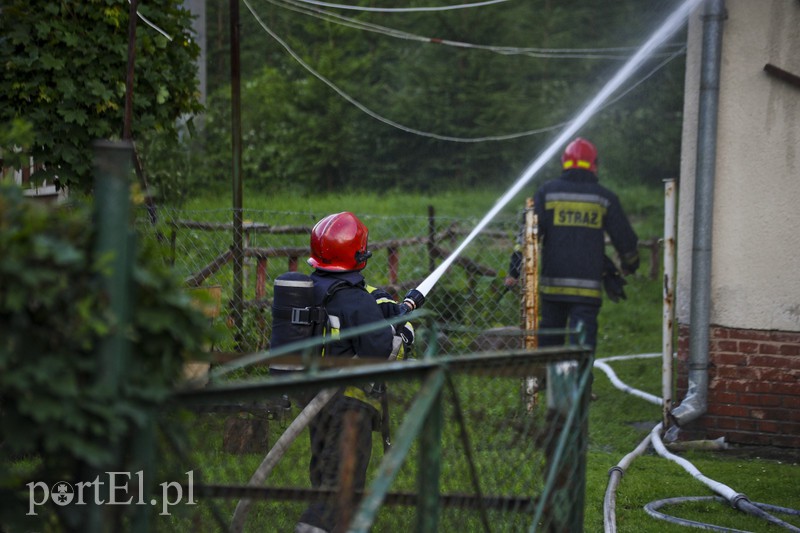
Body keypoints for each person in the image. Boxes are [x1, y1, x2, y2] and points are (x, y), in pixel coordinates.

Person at [295, 211, 422, 533]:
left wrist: (381, 301)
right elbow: (382, 352)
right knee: (344, 482)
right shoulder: (357, 303)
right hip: (350, 404)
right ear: (358, 254)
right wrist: (404, 334)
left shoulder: (312, 287)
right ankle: (316, 525)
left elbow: (357, 301)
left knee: (325, 467)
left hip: (313, 397)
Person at [504, 137, 639, 352]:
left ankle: (548, 374)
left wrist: (514, 269)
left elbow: (527, 237)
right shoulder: (604, 198)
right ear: (594, 165)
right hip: (587, 290)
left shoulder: (547, 193)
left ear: (564, 163)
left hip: (553, 287)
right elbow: (625, 239)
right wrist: (631, 264)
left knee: (549, 346)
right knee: (582, 347)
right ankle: (579, 375)